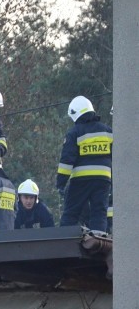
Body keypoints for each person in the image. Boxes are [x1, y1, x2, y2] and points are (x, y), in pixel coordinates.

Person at [57, 96, 112, 234]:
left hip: (81, 180)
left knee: (71, 212)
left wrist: (61, 183)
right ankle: (98, 241)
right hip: (103, 179)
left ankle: (64, 240)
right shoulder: (108, 131)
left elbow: (67, 161)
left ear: (76, 113)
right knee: (99, 211)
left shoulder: (75, 132)